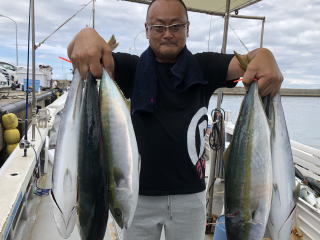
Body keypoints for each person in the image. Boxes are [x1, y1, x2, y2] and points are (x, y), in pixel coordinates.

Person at [67, 0, 283, 239]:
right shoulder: (133, 68)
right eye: (159, 27)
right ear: (147, 29)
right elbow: (94, 57)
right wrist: (85, 35)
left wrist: (264, 55)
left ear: (187, 29)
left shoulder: (204, 66)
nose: (167, 33)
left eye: (176, 26)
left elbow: (248, 62)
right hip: (136, 195)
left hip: (190, 198)